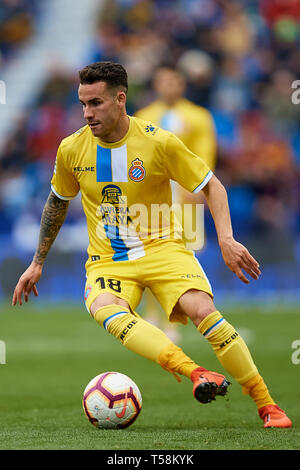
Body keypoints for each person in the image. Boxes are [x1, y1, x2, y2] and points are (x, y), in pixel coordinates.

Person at [12, 61, 291, 428]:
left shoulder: (158, 141)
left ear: (120, 99)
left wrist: (226, 239)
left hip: (164, 248)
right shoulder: (71, 150)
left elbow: (212, 184)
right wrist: (37, 262)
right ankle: (194, 372)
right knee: (106, 309)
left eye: (95, 102)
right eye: (83, 103)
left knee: (204, 313)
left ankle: (267, 405)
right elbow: (57, 202)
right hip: (109, 260)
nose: (87, 113)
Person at [135, 64, 217, 341]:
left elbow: (204, 155)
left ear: (182, 84)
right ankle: (151, 316)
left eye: (174, 81)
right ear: (156, 85)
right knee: (148, 252)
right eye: (164, 81)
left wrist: (198, 187)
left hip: (185, 196)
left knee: (183, 257)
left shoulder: (199, 117)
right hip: (151, 197)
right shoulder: (144, 117)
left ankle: (175, 319)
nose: (169, 86)